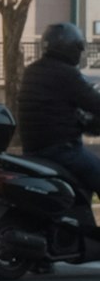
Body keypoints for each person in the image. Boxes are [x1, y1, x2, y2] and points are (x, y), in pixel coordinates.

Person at [16, 21, 100, 199]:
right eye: (78, 47)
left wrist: (82, 121)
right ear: (69, 48)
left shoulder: (32, 70)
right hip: (61, 151)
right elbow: (94, 102)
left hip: (34, 149)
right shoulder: (66, 74)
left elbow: (53, 107)